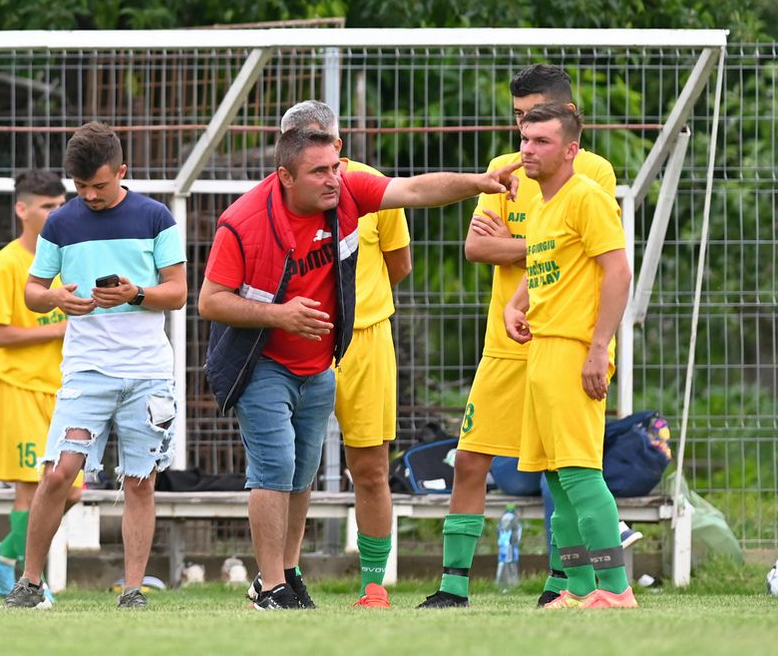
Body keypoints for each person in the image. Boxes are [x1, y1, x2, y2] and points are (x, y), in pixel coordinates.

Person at [199, 123, 521, 610]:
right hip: (263, 360)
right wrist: (279, 315)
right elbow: (209, 301)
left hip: (319, 364)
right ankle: (271, 587)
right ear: (285, 176)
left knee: (302, 474)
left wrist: (479, 182)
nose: (333, 178)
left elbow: (416, 190)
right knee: (275, 467)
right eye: (319, 172)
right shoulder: (243, 221)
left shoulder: (348, 189)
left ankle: (292, 575)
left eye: (336, 166)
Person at [419, 65, 617, 610]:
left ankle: (569, 582)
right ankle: (453, 587)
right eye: (518, 119)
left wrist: (522, 241)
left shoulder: (593, 173)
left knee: (563, 468)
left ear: (567, 118)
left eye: (534, 117)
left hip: (564, 337)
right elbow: (477, 248)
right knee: (470, 458)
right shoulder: (504, 168)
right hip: (506, 340)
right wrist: (538, 245)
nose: (524, 132)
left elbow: (589, 250)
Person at [4, 122, 187, 610]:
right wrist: (57, 298)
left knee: (140, 481)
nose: (89, 195)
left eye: (99, 185)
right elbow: (33, 292)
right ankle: (30, 583)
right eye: (81, 186)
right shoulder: (60, 223)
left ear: (122, 171)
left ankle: (133, 591)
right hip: (86, 371)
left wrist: (136, 293)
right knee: (59, 472)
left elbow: (178, 292)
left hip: (148, 373)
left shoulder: (156, 217)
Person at [268, 101, 411, 610]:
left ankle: (373, 586)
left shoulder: (373, 188)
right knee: (286, 466)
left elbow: (399, 265)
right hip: (299, 341)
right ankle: (281, 577)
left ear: (338, 144)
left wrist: (357, 307)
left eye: (320, 142)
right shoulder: (273, 198)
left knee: (370, 468)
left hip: (366, 340)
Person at [503, 102, 635, 609]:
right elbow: (542, 268)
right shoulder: (541, 206)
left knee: (580, 473)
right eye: (525, 139)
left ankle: (616, 588)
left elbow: (618, 272)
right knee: (557, 480)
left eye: (542, 141)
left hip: (574, 350)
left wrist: (598, 348)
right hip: (541, 352)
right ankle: (578, 588)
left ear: (570, 150)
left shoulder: (587, 197)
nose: (528, 149)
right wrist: (516, 305)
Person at [0, 170, 83, 597]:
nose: (57, 213)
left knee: (71, 491)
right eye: (47, 206)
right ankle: (29, 581)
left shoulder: (69, 259)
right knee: (30, 487)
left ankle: (3, 557)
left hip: (64, 389)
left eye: (61, 205)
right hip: (20, 388)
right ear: (22, 210)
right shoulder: (7, 264)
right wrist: (56, 330)